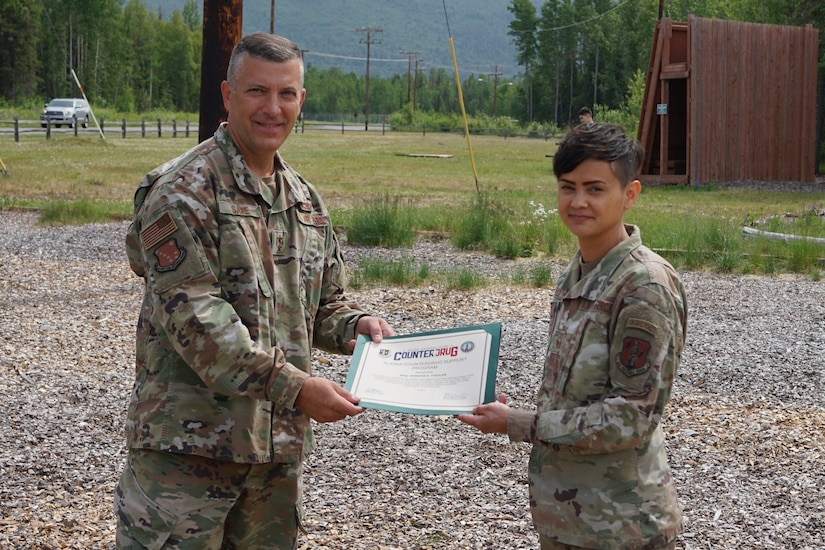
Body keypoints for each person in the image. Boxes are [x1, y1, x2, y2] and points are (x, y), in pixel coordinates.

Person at [114, 32, 394, 549]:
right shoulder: (181, 193)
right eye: (256, 92)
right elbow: (202, 327)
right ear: (227, 96)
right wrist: (298, 389)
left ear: (301, 101)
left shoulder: (303, 200)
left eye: (286, 94)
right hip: (187, 461)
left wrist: (356, 326)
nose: (273, 108)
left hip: (274, 462)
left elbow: (322, 303)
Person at [458, 123, 687, 549]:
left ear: (630, 194)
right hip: (570, 518)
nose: (578, 201)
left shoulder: (643, 285)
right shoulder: (580, 271)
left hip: (623, 526)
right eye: (567, 187)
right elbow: (577, 393)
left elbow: (631, 417)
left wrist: (521, 424)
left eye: (595, 189)